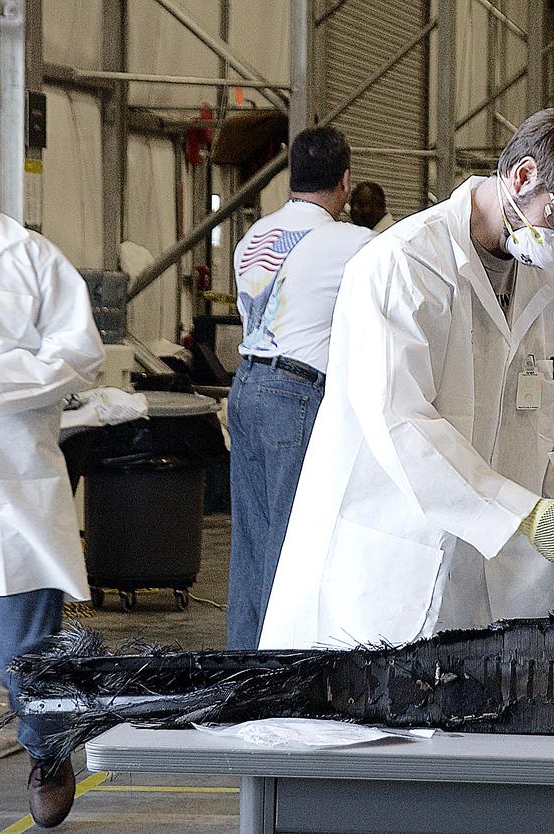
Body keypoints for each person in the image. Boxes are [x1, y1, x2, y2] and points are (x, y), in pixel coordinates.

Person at [259, 105, 554, 650]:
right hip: (395, 564)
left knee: (487, 725)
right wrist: (523, 513)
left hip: (505, 580)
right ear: (524, 176)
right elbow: (400, 422)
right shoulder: (403, 264)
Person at [0, 148, 104, 826]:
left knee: (25, 656)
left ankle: (47, 749)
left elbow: (80, 352)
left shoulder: (27, 259)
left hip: (10, 495)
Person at [226, 126, 375, 649]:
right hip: (293, 395)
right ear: (346, 181)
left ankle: (242, 663)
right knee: (292, 544)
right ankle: (276, 671)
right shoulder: (353, 242)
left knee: (251, 538)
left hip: (244, 387)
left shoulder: (253, 236)